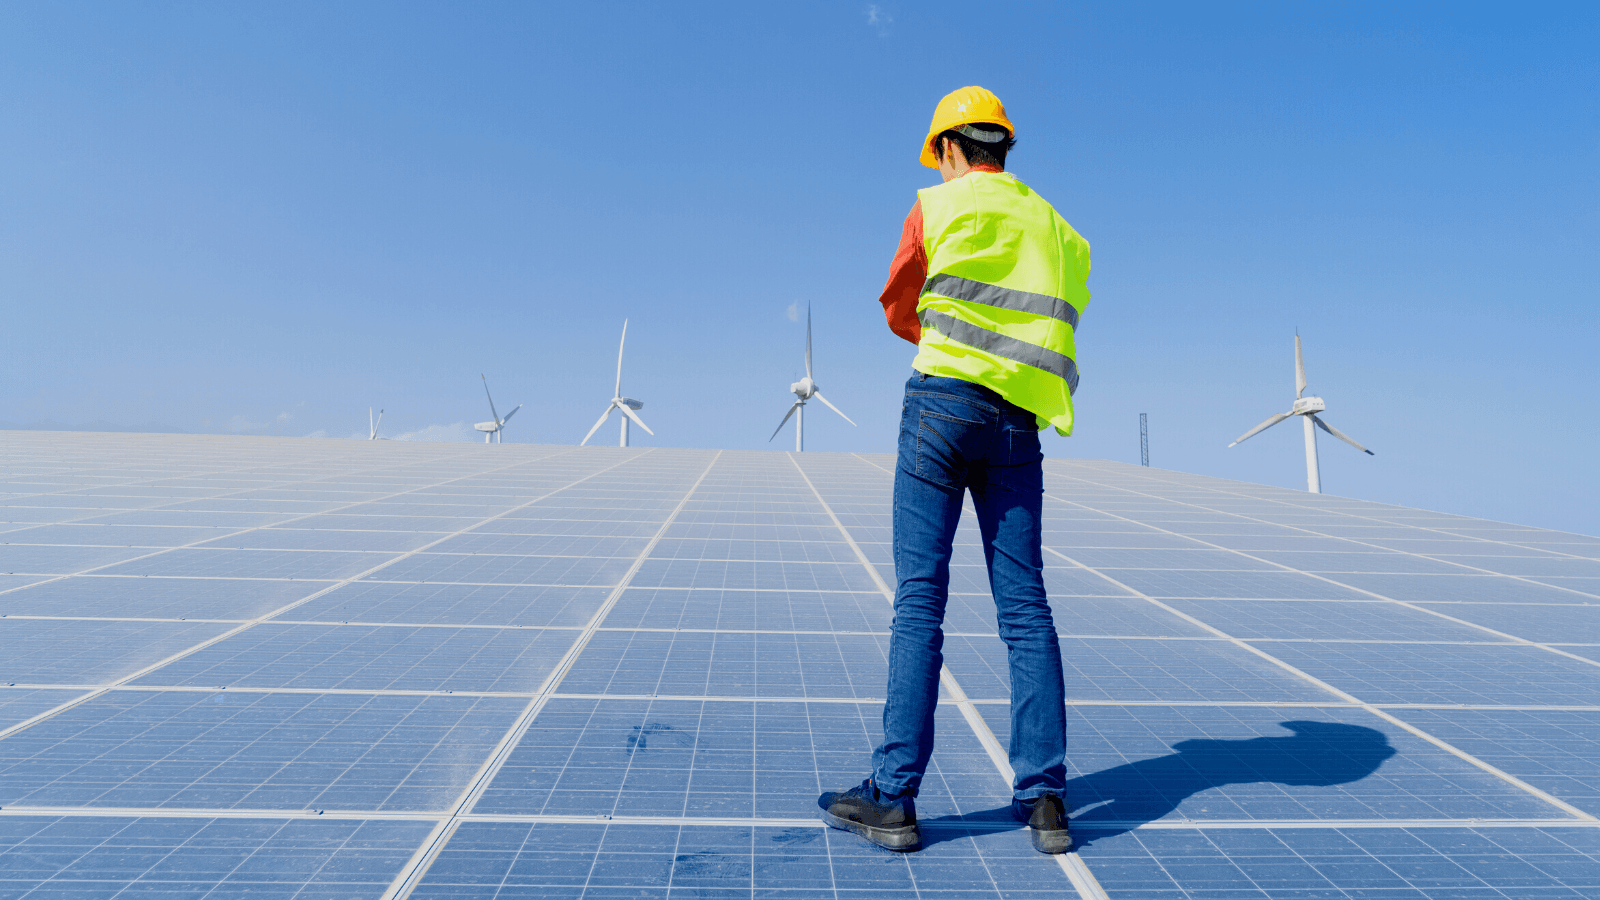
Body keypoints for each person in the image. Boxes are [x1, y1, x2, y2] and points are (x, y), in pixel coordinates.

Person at [818, 86, 1091, 854]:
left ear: (947, 149)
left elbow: (900, 305)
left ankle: (895, 796)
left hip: (941, 410)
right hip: (1018, 425)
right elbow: (1060, 310)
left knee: (920, 601)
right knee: (1026, 608)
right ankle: (1045, 800)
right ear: (1003, 147)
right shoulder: (1057, 227)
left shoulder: (936, 209)